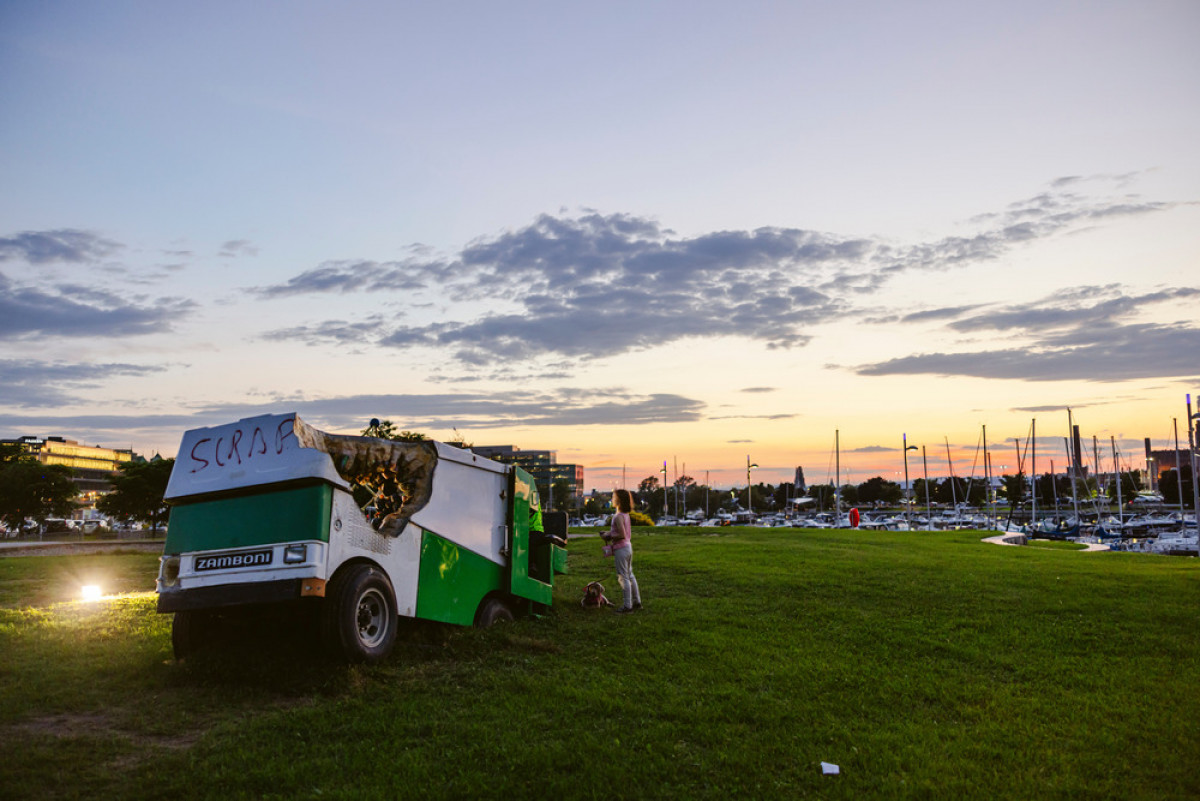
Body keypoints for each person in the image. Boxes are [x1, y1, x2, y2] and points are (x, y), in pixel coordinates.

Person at [602, 488, 642, 613]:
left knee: (623, 577)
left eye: (613, 497)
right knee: (630, 575)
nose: (612, 499)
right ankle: (637, 602)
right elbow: (621, 532)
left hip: (621, 549)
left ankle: (627, 606)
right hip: (628, 547)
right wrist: (609, 532)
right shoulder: (625, 515)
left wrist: (608, 536)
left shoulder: (618, 516)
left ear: (618, 500)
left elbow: (621, 534)